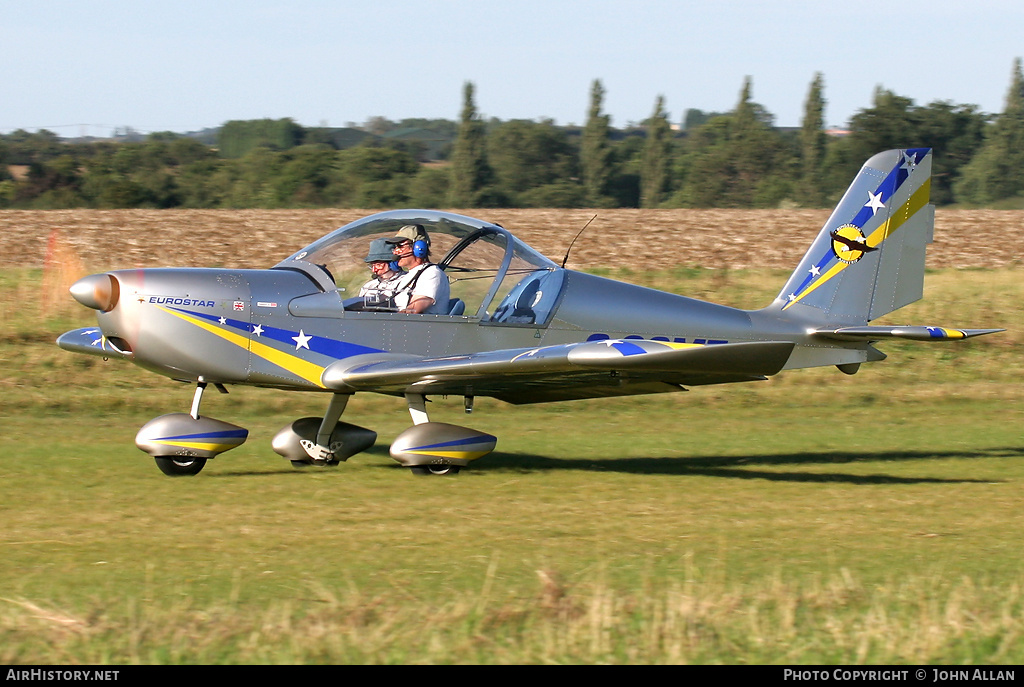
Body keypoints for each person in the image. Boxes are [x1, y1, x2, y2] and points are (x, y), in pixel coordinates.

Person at [385, 224, 451, 314]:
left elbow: (412, 310)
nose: (395, 252)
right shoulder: (408, 276)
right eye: (395, 247)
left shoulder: (432, 274)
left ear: (418, 247)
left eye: (400, 246)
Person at [357, 238, 405, 310]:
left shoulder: (408, 282)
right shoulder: (369, 286)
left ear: (393, 264)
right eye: (372, 266)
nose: (374, 270)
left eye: (378, 265)